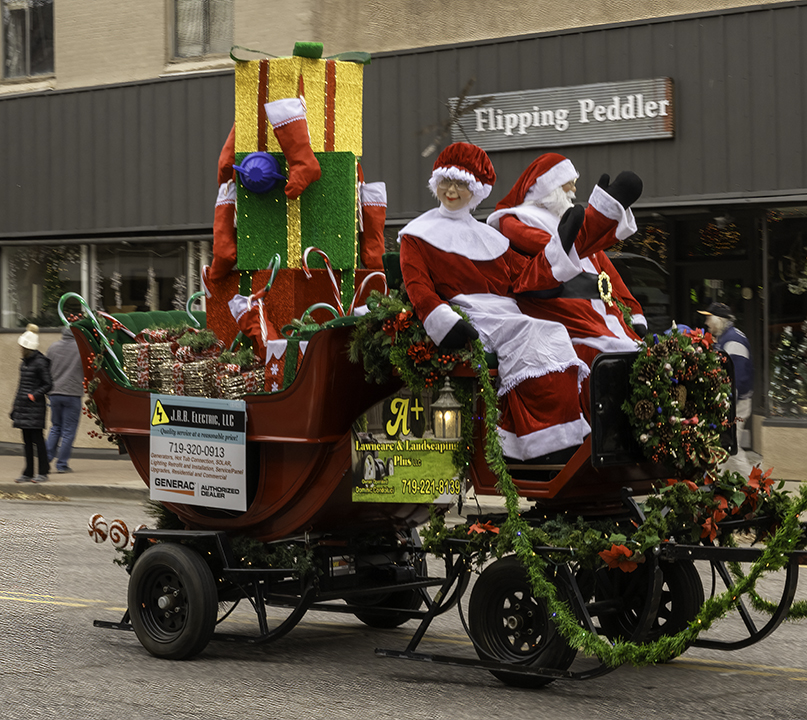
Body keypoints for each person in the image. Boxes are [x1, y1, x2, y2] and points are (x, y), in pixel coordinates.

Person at [398, 142, 589, 463]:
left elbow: (525, 273)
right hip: (468, 312)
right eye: (446, 181)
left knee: (554, 331)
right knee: (530, 334)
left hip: (506, 312)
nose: (451, 190)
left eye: (461, 184)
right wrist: (443, 322)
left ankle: (559, 434)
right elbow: (419, 286)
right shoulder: (417, 234)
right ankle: (532, 442)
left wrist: (560, 248)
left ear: (477, 190)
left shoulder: (490, 236)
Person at [487, 153, 647, 417]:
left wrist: (633, 309)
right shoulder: (516, 219)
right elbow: (548, 249)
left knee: (637, 351)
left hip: (596, 312)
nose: (574, 190)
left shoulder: (567, 220)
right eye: (568, 183)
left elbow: (607, 271)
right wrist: (595, 220)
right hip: (553, 309)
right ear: (547, 185)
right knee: (602, 353)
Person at [698, 302, 754, 477]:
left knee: (730, 450)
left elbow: (736, 379)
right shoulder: (726, 338)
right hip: (733, 404)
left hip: (735, 405)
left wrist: (726, 407)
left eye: (709, 318)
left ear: (719, 319)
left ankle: (757, 487)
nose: (706, 323)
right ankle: (718, 487)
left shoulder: (733, 340)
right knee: (724, 450)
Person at [11, 324, 53, 483]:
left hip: (34, 407)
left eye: (22, 347)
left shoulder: (40, 362)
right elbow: (21, 385)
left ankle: (43, 471)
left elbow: (48, 384)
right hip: (24, 406)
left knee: (37, 440)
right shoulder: (25, 363)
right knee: (27, 442)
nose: (20, 349)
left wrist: (33, 396)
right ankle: (28, 472)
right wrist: (15, 405)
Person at [46, 325, 85, 473]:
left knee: (55, 427)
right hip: (73, 393)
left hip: (55, 393)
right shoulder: (80, 348)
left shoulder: (53, 347)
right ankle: (62, 465)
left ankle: (46, 460)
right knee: (68, 431)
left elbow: (46, 368)